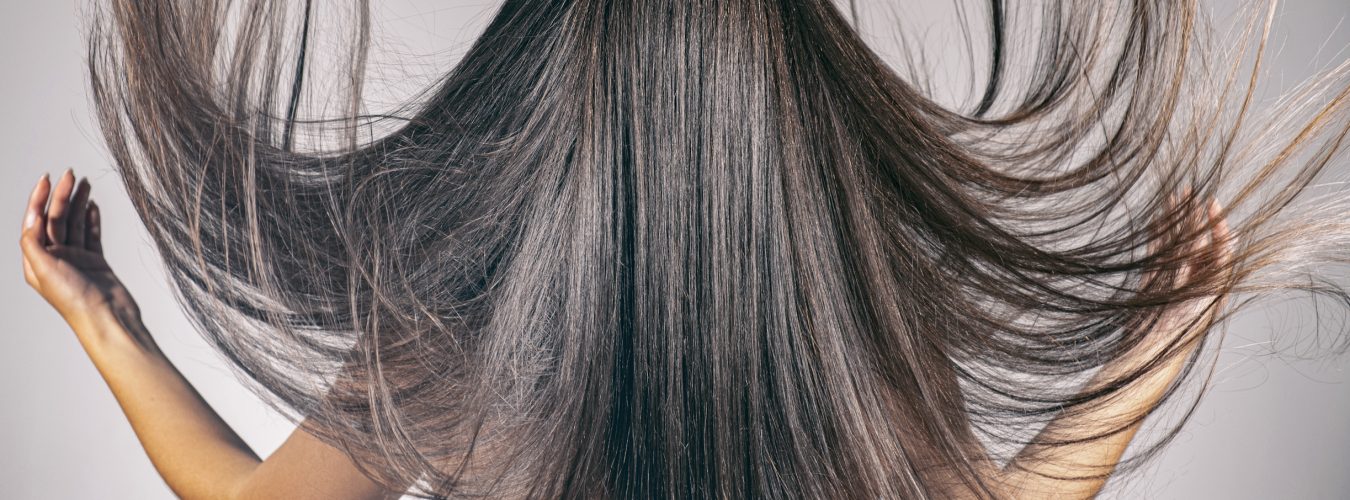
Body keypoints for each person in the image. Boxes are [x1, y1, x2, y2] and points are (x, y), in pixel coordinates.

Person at [18, 0, 1350, 498]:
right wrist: (1149, 348)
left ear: (537, 103)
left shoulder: (455, 349)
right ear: (802, 126)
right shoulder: (853, 348)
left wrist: (101, 321)